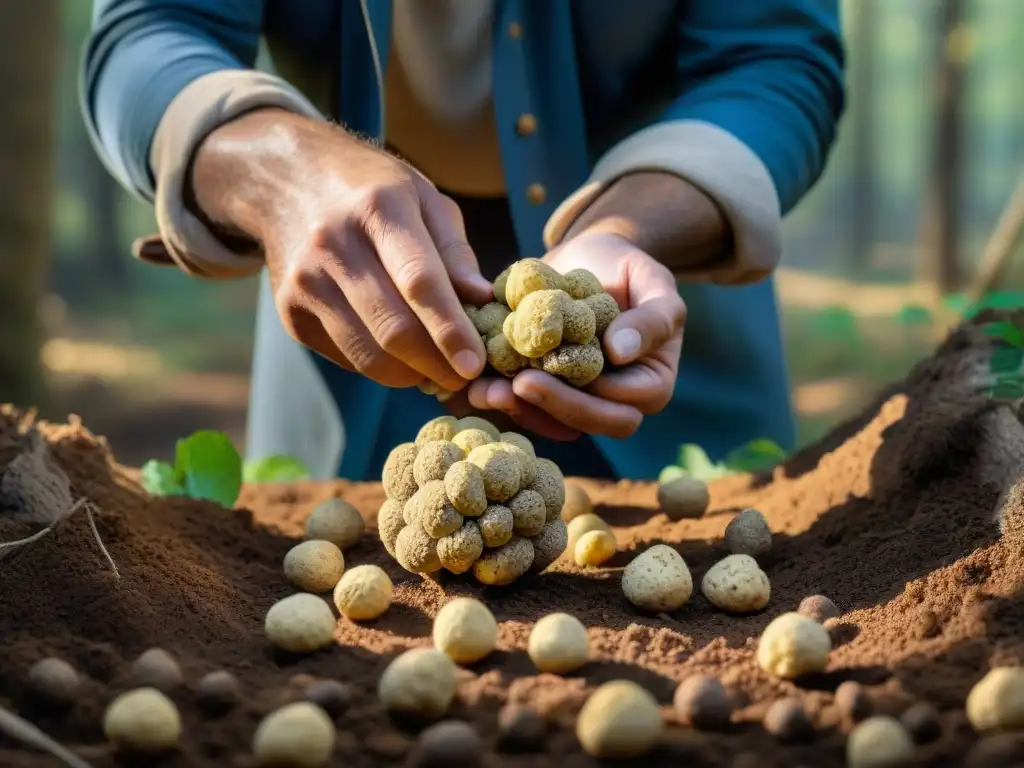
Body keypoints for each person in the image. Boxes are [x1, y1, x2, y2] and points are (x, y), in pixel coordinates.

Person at [81, 1, 845, 482]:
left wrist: (624, 229)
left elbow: (775, 62)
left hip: (650, 311)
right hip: (349, 302)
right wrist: (284, 177)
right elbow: (150, 32)